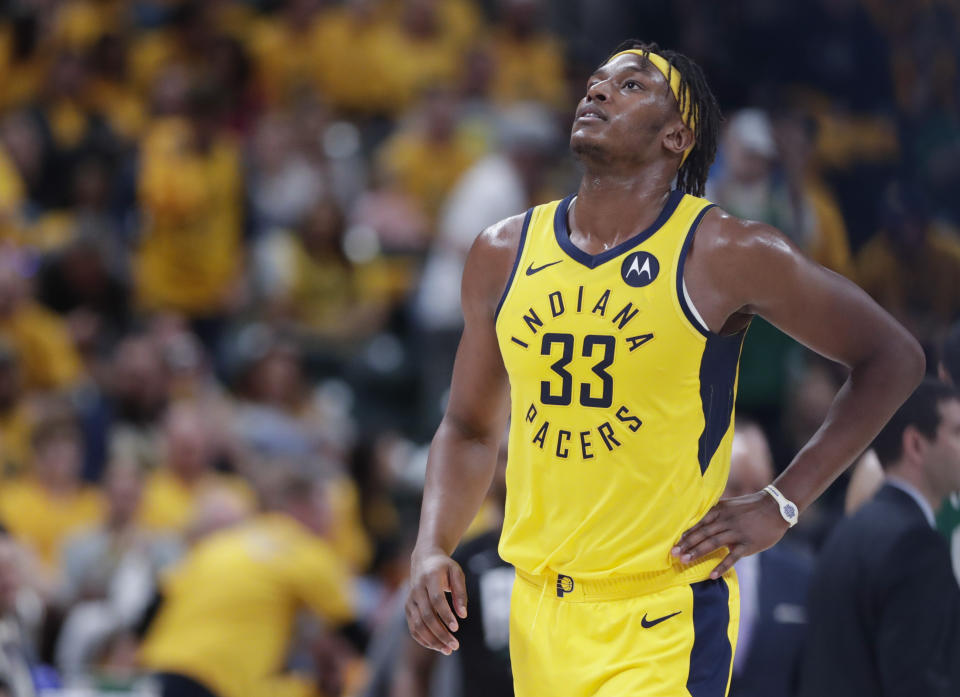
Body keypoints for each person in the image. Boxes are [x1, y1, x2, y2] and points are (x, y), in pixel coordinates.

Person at [405, 39, 924, 697]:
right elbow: (472, 428)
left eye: (631, 86)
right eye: (596, 81)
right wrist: (431, 545)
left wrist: (784, 500)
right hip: (538, 613)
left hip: (663, 617)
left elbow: (892, 357)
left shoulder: (727, 250)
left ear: (678, 134)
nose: (597, 90)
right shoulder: (503, 250)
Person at [800, 379, 960, 697]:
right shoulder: (917, 545)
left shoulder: (848, 529)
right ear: (915, 444)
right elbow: (917, 682)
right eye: (957, 432)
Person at [139, 473, 359, 697]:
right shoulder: (308, 551)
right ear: (303, 507)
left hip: (159, 669)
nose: (332, 523)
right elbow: (349, 630)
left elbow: (159, 599)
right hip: (219, 679)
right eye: (326, 511)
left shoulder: (223, 542)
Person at [724, 420, 810, 697]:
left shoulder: (803, 577)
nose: (749, 505)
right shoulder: (670, 572)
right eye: (735, 489)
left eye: (760, 491)